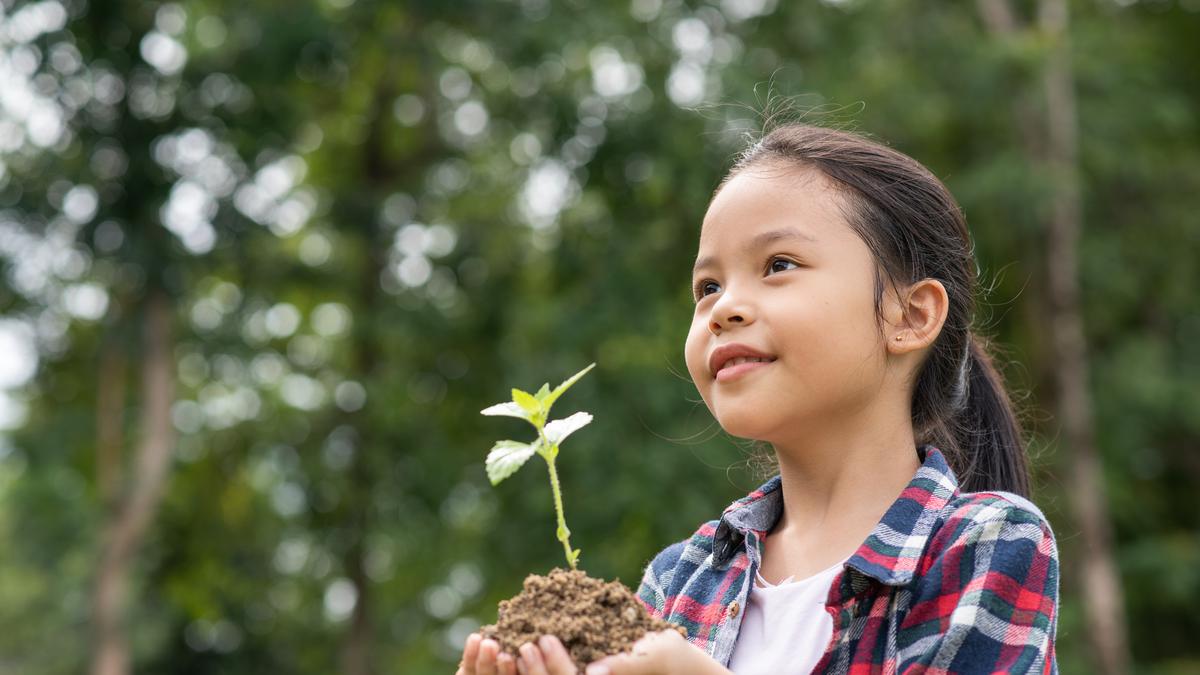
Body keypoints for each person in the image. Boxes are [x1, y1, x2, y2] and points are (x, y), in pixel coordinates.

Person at [457, 124, 1060, 675]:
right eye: (707, 286)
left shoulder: (985, 543)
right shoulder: (682, 579)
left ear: (909, 315)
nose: (724, 308)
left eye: (778, 264)